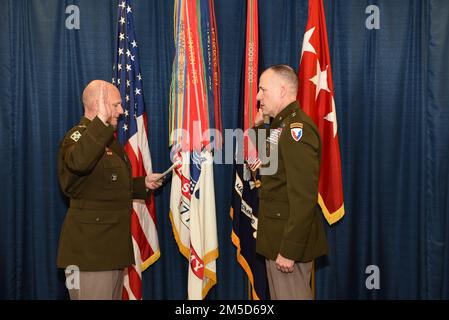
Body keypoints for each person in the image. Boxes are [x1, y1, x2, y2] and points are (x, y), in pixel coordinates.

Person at [56, 80, 163, 300]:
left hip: (110, 252)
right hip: (90, 255)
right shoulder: (78, 136)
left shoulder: (105, 140)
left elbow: (104, 186)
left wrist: (141, 184)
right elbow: (78, 163)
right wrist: (100, 123)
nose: (121, 111)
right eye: (115, 105)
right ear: (99, 104)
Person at [252, 65, 328, 300]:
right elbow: (270, 163)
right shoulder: (282, 124)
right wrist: (259, 126)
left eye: (263, 90)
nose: (258, 96)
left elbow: (303, 197)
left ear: (282, 91)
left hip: (286, 246)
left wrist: (289, 249)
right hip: (277, 240)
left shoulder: (297, 129)